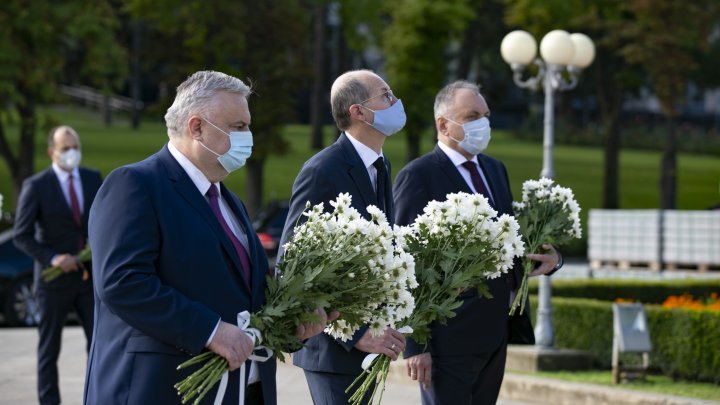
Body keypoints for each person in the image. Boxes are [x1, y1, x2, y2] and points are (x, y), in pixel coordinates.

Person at [83, 70, 334, 405]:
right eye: (238, 126)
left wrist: (294, 319)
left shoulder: (231, 203)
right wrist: (210, 330)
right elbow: (122, 282)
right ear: (196, 127)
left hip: (245, 389)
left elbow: (243, 293)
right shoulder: (135, 184)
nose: (249, 136)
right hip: (162, 389)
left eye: (248, 125)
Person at [393, 80, 563, 405]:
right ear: (443, 124)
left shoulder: (495, 170)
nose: (483, 123)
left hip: (494, 335)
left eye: (485, 114)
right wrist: (416, 345)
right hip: (446, 339)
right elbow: (406, 262)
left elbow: (510, 245)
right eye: (472, 115)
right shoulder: (419, 175)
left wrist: (554, 260)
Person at [279, 69, 407, 404]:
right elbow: (293, 264)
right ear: (358, 112)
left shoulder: (381, 165)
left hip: (367, 349)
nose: (395, 101)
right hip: (334, 352)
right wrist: (358, 333)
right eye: (385, 95)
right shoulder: (323, 170)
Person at [13, 125, 102, 405]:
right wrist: (53, 258)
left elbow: (101, 222)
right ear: (52, 152)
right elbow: (21, 235)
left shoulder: (92, 178)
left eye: (75, 146)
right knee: (49, 350)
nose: (72, 153)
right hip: (53, 283)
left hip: (87, 280)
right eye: (66, 148)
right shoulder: (36, 186)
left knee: (99, 345)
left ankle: (97, 397)